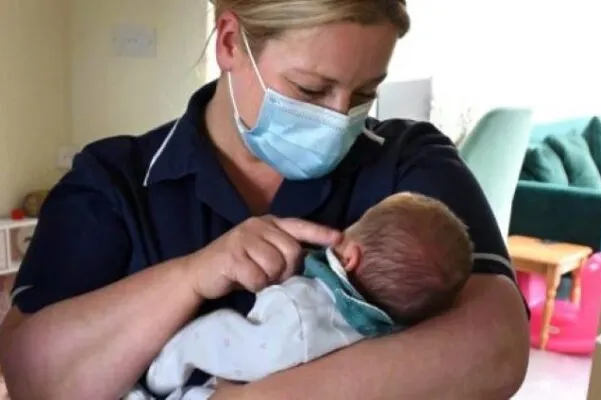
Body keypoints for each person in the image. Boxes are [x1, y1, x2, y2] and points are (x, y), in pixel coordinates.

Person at [0, 0, 530, 398]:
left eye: (366, 92)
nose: (341, 116)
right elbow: (31, 379)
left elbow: (497, 348)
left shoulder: (409, 163)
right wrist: (189, 276)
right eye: (310, 89)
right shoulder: (113, 182)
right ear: (230, 42)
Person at [143, 192, 474, 399]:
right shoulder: (376, 341)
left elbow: (218, 341)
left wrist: (162, 375)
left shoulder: (300, 309)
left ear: (350, 257)